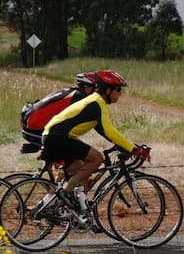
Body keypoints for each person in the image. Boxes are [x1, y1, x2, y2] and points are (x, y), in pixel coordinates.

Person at [42, 70, 150, 207]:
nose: (120, 93)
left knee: (82, 172)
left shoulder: (94, 101)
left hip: (54, 136)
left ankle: (53, 206)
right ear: (108, 90)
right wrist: (134, 149)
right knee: (97, 158)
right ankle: (64, 194)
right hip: (58, 137)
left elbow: (104, 132)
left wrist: (127, 145)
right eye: (118, 90)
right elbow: (109, 131)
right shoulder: (97, 103)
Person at [21, 72, 97, 152]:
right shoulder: (79, 97)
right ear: (86, 86)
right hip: (37, 128)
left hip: (29, 123)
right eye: (94, 88)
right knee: (78, 152)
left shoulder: (69, 91)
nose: (95, 91)